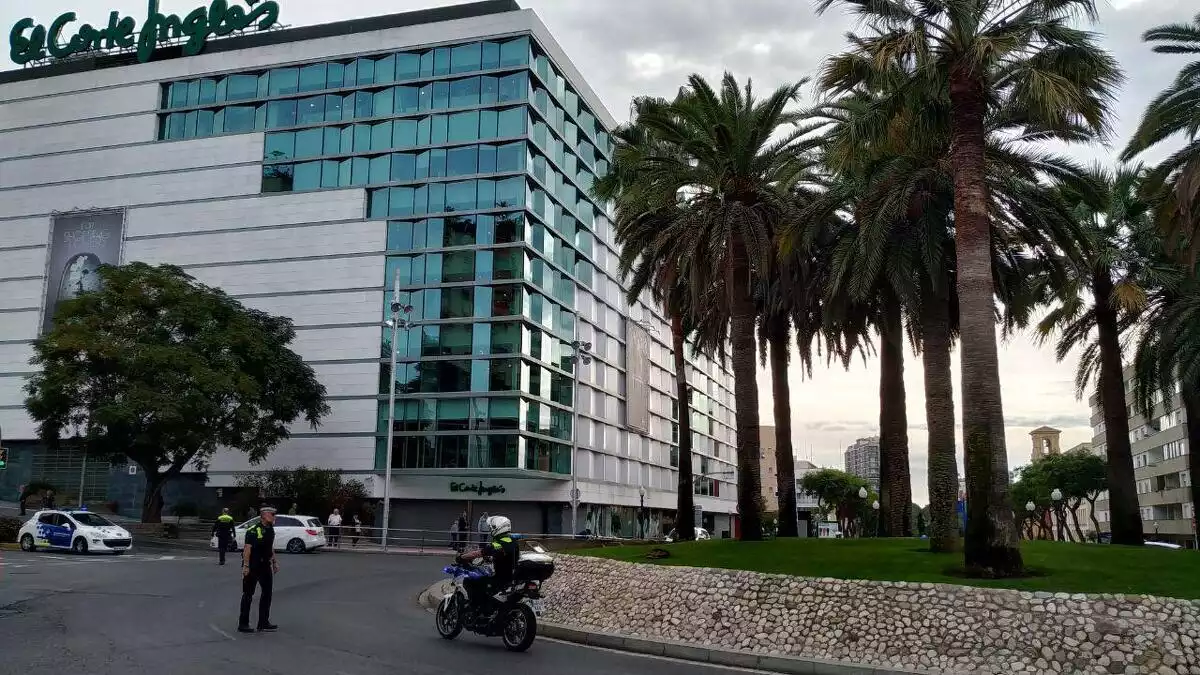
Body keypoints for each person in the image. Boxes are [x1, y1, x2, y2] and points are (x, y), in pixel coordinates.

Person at [458, 515, 518, 621]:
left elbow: (480, 552)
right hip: (512, 578)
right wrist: (491, 559)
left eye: (492, 527)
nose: (491, 529)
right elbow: (505, 556)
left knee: (471, 581)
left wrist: (462, 557)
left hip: (500, 579)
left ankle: (477, 609)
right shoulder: (513, 541)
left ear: (498, 528)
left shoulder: (498, 543)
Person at [238, 505, 279, 633]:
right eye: (272, 515)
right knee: (248, 594)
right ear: (264, 515)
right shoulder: (253, 530)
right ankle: (243, 623)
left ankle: (263, 622)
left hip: (265, 565)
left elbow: (270, 546)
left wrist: (274, 561)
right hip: (253, 564)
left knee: (267, 593)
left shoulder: (270, 529)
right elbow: (247, 549)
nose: (274, 517)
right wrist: (245, 566)